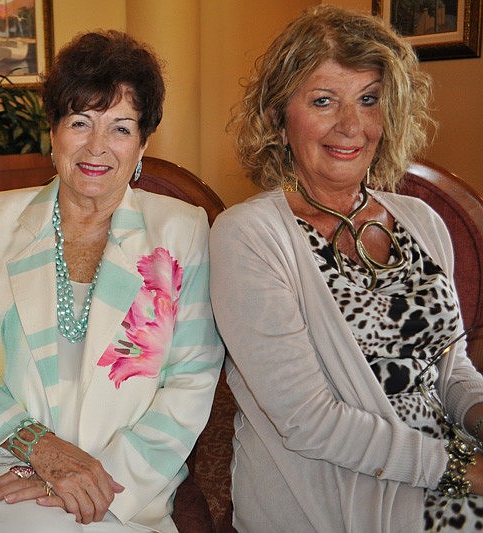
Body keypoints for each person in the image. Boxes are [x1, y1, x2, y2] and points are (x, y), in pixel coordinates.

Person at [0, 30, 223, 532]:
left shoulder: (182, 231)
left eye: (121, 128)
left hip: (122, 484)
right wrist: (35, 446)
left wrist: (95, 476)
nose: (97, 147)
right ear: (53, 131)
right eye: (80, 123)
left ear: (144, 142)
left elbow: (191, 379)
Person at [210, 5, 483, 531]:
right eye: (322, 101)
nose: (351, 126)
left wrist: (478, 414)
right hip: (336, 496)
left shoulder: (422, 220)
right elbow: (308, 422)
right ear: (278, 118)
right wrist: (461, 469)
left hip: (451, 476)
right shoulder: (249, 236)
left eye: (368, 99)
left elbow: (451, 371)